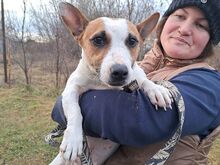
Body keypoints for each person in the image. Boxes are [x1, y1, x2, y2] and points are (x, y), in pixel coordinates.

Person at [46, 0, 220, 164]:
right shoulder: (146, 66)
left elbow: (134, 119)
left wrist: (65, 106)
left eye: (200, 25)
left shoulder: (209, 84)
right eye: (180, 16)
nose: (184, 29)